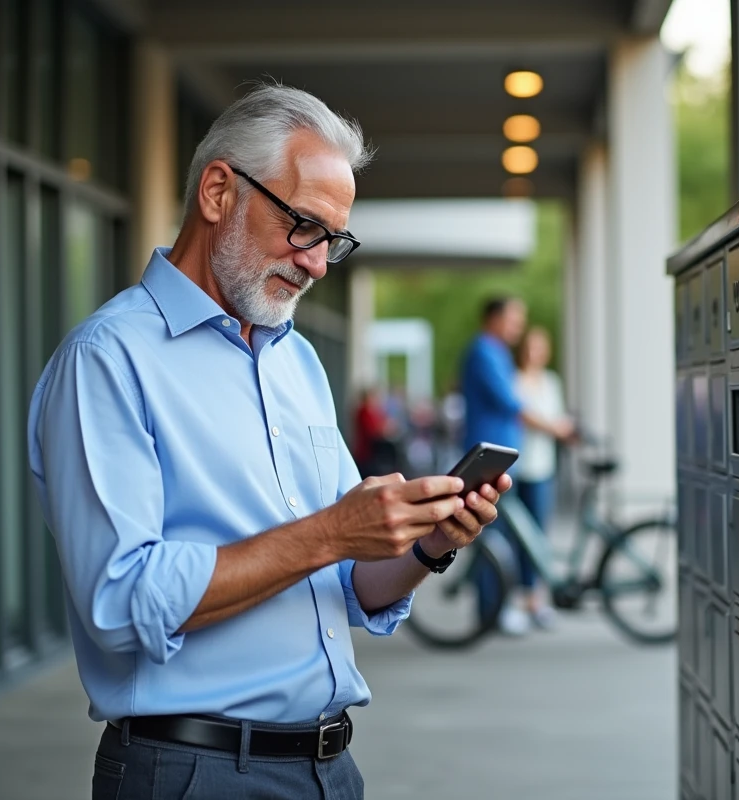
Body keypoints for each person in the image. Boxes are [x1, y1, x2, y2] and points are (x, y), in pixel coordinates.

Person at [27, 83, 509, 800]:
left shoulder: (297, 361)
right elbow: (121, 602)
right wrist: (329, 532)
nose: (317, 263)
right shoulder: (107, 359)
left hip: (328, 769)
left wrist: (425, 545)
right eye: (304, 227)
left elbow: (347, 579)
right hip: (194, 773)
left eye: (334, 242)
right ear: (219, 191)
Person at [459, 297, 572, 635]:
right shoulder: (484, 351)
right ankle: (491, 610)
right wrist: (555, 428)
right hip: (486, 459)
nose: (518, 327)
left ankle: (502, 607)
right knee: (490, 535)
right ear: (493, 318)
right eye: (513, 319)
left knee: (503, 533)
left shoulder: (497, 353)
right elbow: (511, 403)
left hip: (500, 458)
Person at [513, 326, 573, 629]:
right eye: (530, 346)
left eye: (540, 347)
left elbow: (557, 418)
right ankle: (522, 601)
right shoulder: (514, 379)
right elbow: (521, 417)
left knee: (538, 534)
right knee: (518, 536)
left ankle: (537, 599)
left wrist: (556, 427)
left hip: (543, 467)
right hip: (517, 467)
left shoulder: (551, 381)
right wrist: (551, 427)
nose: (535, 352)